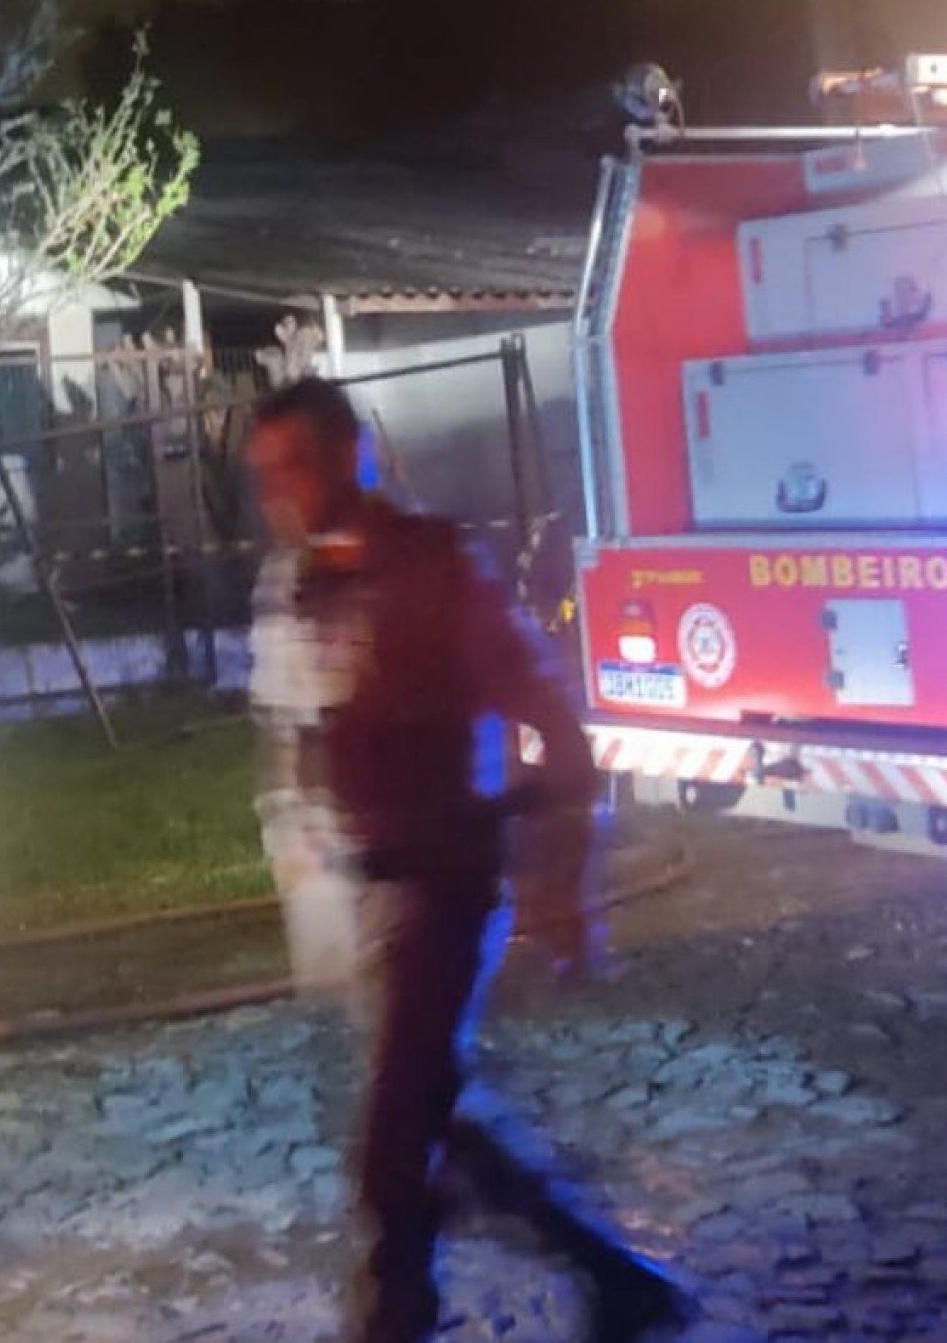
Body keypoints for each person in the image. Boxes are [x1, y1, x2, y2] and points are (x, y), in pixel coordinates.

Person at [242, 377, 690, 1343]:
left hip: (444, 895)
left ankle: (393, 1323)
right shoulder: (296, 583)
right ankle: (616, 1279)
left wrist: (560, 879)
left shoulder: (436, 567)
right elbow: (294, 734)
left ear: (355, 454)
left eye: (301, 464)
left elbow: (559, 734)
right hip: (362, 904)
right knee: (432, 1111)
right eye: (266, 473)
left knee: (390, 1156)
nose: (281, 490)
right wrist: (306, 874)